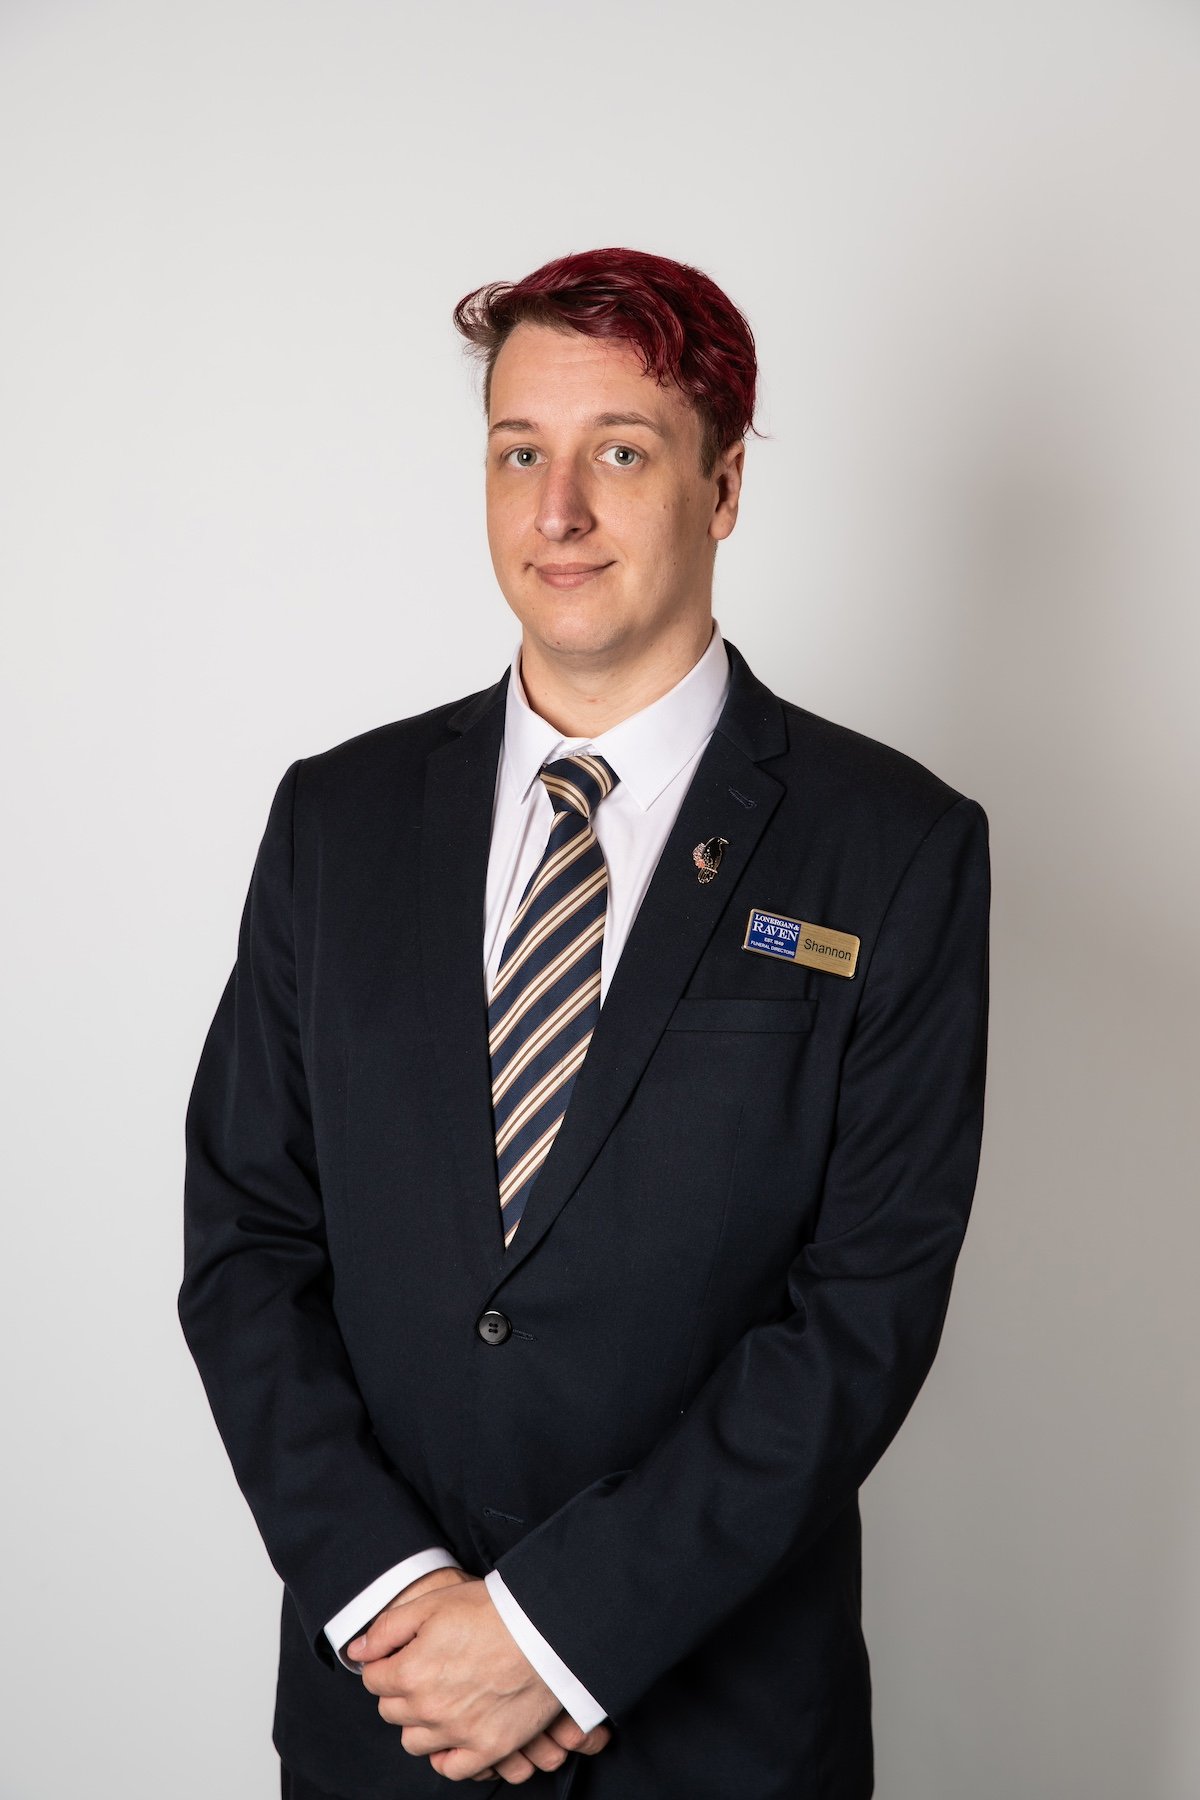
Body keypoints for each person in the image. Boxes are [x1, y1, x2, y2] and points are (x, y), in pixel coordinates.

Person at [179, 246, 990, 1800]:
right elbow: (244, 1246)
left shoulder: (892, 845)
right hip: (386, 1722)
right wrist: (403, 1605)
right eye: (519, 454)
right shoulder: (336, 820)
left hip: (722, 1735)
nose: (559, 511)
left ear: (726, 484)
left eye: (620, 451)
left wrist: (551, 1635)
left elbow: (865, 1307)